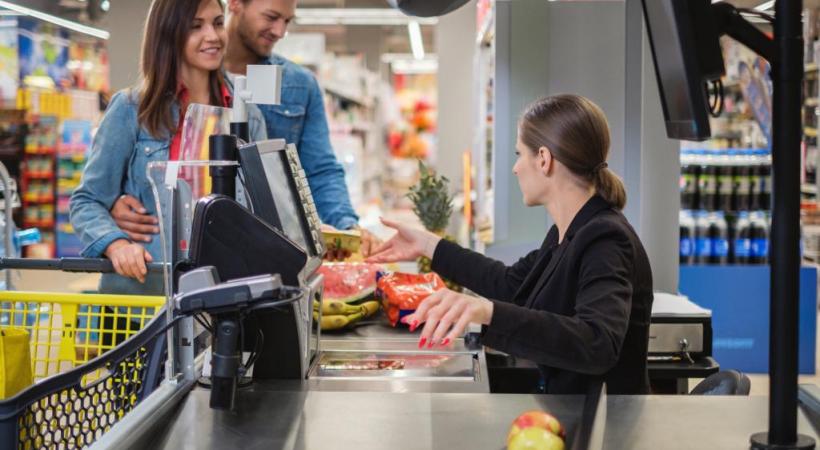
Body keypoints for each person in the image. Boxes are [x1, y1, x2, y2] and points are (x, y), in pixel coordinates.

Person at [368, 95, 654, 395]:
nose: (516, 168)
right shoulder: (569, 231)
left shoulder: (605, 239)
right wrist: (430, 245)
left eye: (520, 154)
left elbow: (597, 342)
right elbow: (510, 284)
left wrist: (489, 313)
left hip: (606, 430)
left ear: (544, 159)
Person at [70, 0, 267, 293]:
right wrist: (116, 243)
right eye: (195, 26)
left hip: (221, 296)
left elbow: (263, 205)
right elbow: (86, 200)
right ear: (168, 33)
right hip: (144, 299)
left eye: (216, 22)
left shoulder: (246, 114)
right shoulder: (132, 109)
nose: (212, 35)